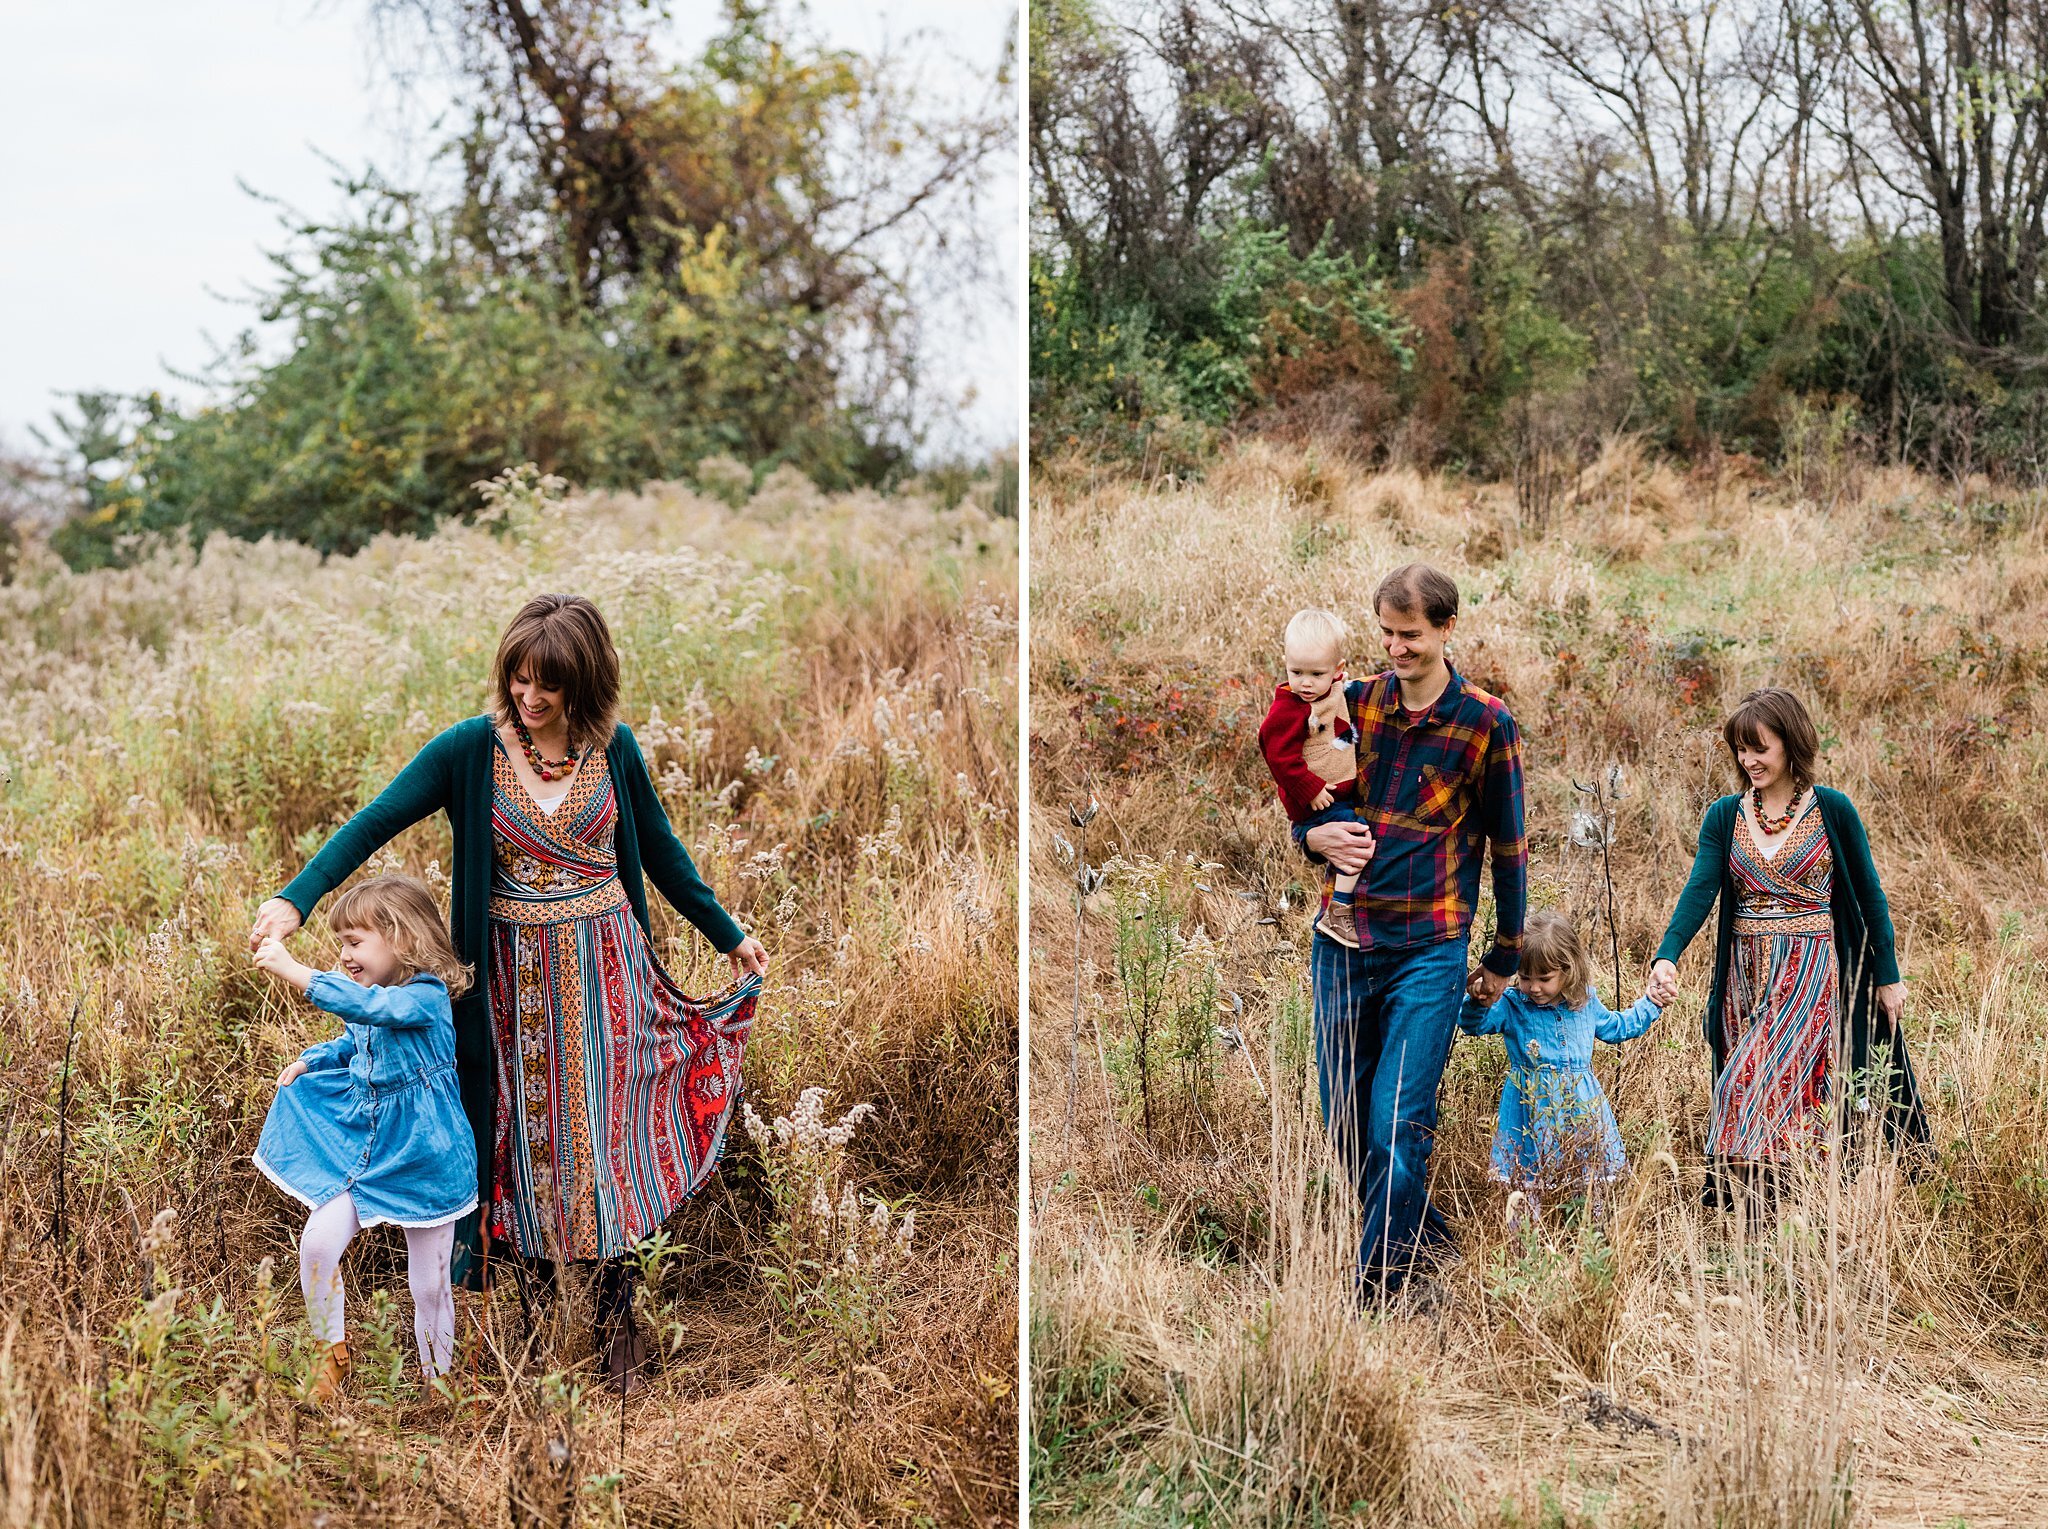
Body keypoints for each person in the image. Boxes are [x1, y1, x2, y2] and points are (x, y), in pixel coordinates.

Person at [247, 593, 770, 1392]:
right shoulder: (470, 751)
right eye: (520, 679)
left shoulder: (613, 749)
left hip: (607, 976)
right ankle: (526, 1302)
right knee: (517, 1131)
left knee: (603, 1136)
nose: (531, 697)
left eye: (549, 684)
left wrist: (726, 932)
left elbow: (660, 852)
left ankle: (614, 1315)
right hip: (509, 981)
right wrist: (297, 898)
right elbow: (375, 819)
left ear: (583, 682)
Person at [1295, 563, 1527, 1299]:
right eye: (1387, 633)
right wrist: (1310, 838)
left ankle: (1376, 1292)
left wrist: (1504, 954)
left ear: (1447, 628)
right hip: (1342, 943)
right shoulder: (1353, 704)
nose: (1395, 648)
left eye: (1411, 635)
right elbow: (1308, 795)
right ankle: (1425, 1239)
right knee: (1344, 1126)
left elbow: (1509, 847)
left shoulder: (1486, 722)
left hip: (1429, 949)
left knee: (1399, 1122)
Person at [1649, 687, 1928, 1204]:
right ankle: (1761, 1211)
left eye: (1760, 748)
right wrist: (1668, 952)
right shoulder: (1724, 816)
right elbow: (1700, 889)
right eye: (1741, 749)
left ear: (1791, 743)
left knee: (1749, 1082)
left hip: (1811, 971)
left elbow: (1870, 896)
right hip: (1744, 975)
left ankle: (1792, 1204)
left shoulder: (1833, 811)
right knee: (1775, 1092)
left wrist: (1888, 977)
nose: (1748, 760)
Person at [251, 876, 477, 1405]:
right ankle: (331, 1355)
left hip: (426, 1154)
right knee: (318, 1244)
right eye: (342, 944)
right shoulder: (374, 999)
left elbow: (375, 1011)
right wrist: (314, 1059)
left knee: (429, 1281)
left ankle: (438, 1382)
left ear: (402, 937)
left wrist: (300, 974)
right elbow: (353, 1037)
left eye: (356, 942)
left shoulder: (425, 997)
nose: (345, 955)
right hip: (366, 1149)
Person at [1456, 910, 1662, 1224]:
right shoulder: (1512, 1005)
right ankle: (1523, 1245)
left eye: (1544, 978)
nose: (1533, 987)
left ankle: (1592, 1238)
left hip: (1581, 1110)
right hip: (1529, 1108)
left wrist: (1651, 1003)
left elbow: (1619, 1027)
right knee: (1525, 1185)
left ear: (1568, 970)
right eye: (1524, 977)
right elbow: (1474, 1025)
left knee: (1591, 1180)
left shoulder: (1585, 1003)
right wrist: (1478, 1001)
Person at [1258, 608, 1373, 948]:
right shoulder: (1289, 708)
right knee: (1358, 842)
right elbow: (1277, 753)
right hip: (1317, 803)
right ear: (1285, 664)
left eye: (1316, 673)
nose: (1305, 683)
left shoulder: (1332, 689)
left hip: (1337, 794)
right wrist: (1309, 787)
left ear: (1337, 670)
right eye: (1296, 672)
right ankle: (1339, 910)